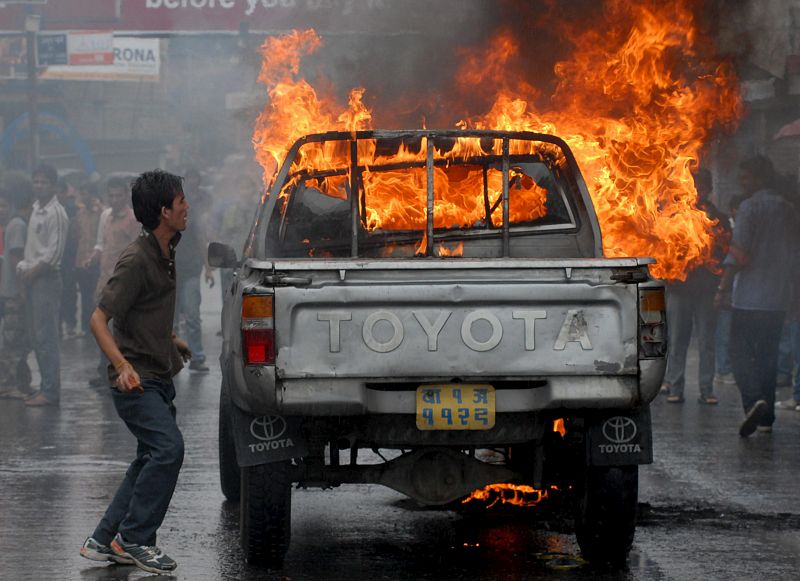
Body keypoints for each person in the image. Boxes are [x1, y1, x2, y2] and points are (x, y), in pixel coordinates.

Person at [79, 170, 191, 574]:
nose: (186, 208)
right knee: (168, 449)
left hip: (157, 375)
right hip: (136, 382)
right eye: (181, 203)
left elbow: (147, 310)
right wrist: (122, 365)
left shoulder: (166, 249)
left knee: (149, 457)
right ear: (163, 211)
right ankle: (135, 539)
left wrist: (172, 337)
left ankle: (103, 538)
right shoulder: (136, 259)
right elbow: (98, 319)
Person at [715, 156, 797, 436]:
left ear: (760, 178)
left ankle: (753, 400)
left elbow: (739, 254)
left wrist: (722, 288)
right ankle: (766, 419)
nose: (742, 182)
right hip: (777, 298)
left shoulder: (751, 208)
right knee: (768, 357)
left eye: (746, 177)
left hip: (750, 297)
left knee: (738, 351)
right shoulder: (788, 209)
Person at [662, 169, 729, 405]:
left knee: (706, 341)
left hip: (706, 290)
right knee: (677, 340)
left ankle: (706, 389)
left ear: (708, 189)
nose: (696, 191)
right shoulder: (674, 216)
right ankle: (675, 386)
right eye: (693, 185)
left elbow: (725, 251)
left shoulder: (717, 217)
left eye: (701, 186)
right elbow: (663, 249)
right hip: (679, 288)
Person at [16, 164, 69, 407]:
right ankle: (44, 386)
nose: (39, 186)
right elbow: (32, 249)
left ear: (53, 185)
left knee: (47, 336)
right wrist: (24, 270)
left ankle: (50, 390)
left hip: (46, 278)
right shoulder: (36, 209)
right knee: (36, 336)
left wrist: (33, 272)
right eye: (36, 181)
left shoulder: (56, 212)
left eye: (43, 182)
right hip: (31, 277)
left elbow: (54, 253)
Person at [86, 177, 141, 387]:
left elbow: (138, 250)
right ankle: (105, 372)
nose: (115, 199)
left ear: (126, 196)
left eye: (119, 195)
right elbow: (101, 244)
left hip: (125, 283)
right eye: (111, 195)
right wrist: (93, 257)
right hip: (105, 281)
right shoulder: (105, 216)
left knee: (124, 330)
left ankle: (125, 371)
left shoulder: (134, 219)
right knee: (102, 328)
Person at [174, 168, 214, 373]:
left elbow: (201, 240)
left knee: (191, 315)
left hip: (190, 270)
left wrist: (208, 268)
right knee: (171, 319)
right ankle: (174, 357)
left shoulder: (192, 215)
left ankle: (196, 356)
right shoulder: (163, 214)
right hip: (169, 272)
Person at [0, 187, 33, 398]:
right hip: (13, 292)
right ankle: (8, 385)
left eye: (3, 205)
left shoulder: (11, 225)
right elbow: (16, 259)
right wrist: (22, 291)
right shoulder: (17, 225)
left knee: (19, 338)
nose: (1, 210)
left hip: (9, 291)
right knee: (13, 340)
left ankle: (22, 382)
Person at [73, 181, 103, 337]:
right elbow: (78, 235)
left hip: (96, 260)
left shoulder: (101, 213)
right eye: (81, 193)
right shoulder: (80, 214)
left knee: (95, 294)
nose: (81, 196)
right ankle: (86, 326)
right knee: (84, 295)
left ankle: (97, 325)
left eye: (84, 193)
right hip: (81, 260)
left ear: (92, 195)